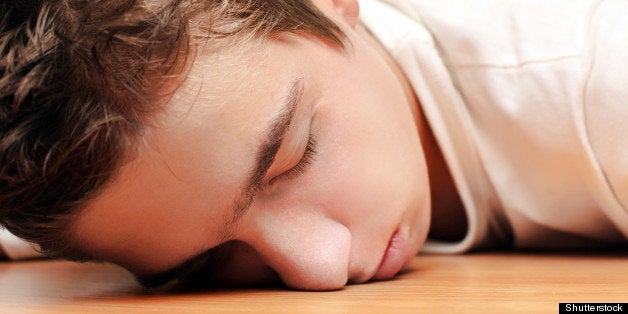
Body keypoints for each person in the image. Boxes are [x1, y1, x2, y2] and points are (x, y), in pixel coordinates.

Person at [1, 0, 626, 291]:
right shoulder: (129, 193)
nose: (320, 268)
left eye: (294, 157)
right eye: (204, 265)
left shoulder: (603, 83)